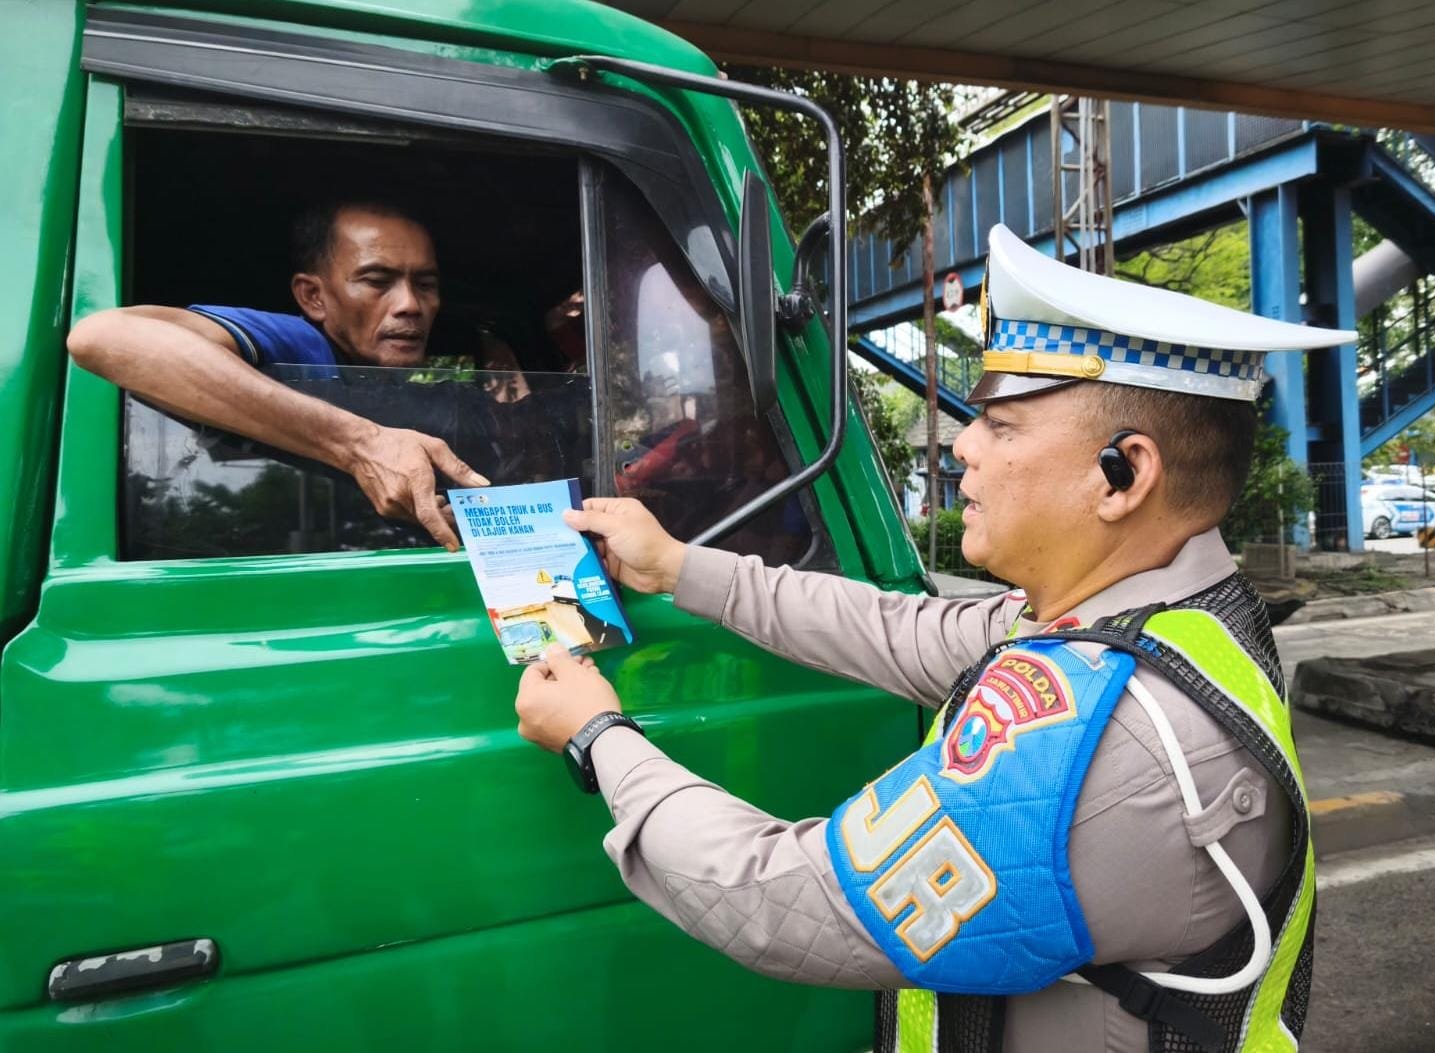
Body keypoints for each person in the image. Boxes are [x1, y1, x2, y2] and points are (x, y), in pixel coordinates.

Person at [511, 225, 1352, 1052]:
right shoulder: (1152, 619)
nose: (962, 444)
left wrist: (599, 738)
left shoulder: (1118, 739)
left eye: (1004, 425)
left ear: (1121, 474)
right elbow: (895, 628)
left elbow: (786, 902)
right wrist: (679, 567)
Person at [66, 199, 490, 549]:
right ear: (313, 297)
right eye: (378, 280)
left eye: (426, 285)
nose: (410, 305)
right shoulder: (300, 344)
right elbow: (104, 336)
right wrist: (364, 446)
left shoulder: (376, 376)